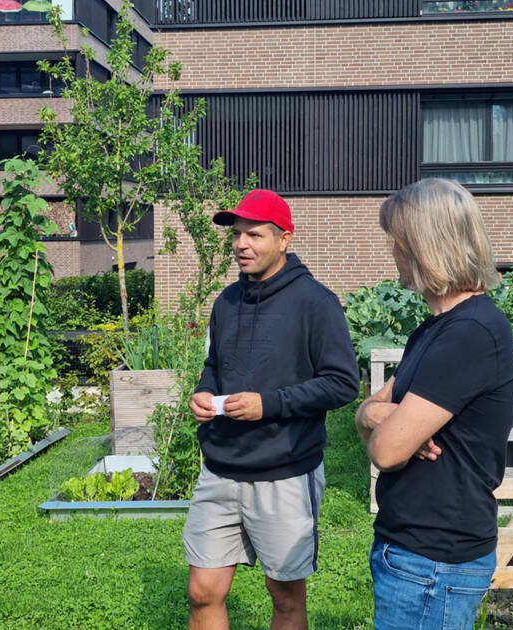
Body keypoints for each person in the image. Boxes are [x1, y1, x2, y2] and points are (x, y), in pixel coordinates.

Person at [185, 189, 360, 630]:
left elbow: (342, 384)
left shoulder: (316, 303)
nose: (241, 244)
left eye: (255, 235)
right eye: (237, 235)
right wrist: (203, 393)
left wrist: (269, 405)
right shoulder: (226, 302)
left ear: (284, 239)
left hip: (285, 471)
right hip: (220, 469)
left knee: (284, 598)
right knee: (202, 592)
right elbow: (213, 366)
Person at [355, 178, 513, 630]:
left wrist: (387, 425)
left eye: (398, 241)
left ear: (424, 246)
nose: (393, 253)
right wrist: (376, 414)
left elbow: (386, 452)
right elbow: (369, 414)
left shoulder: (471, 334)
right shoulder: (432, 331)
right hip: (413, 553)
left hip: (433, 562)